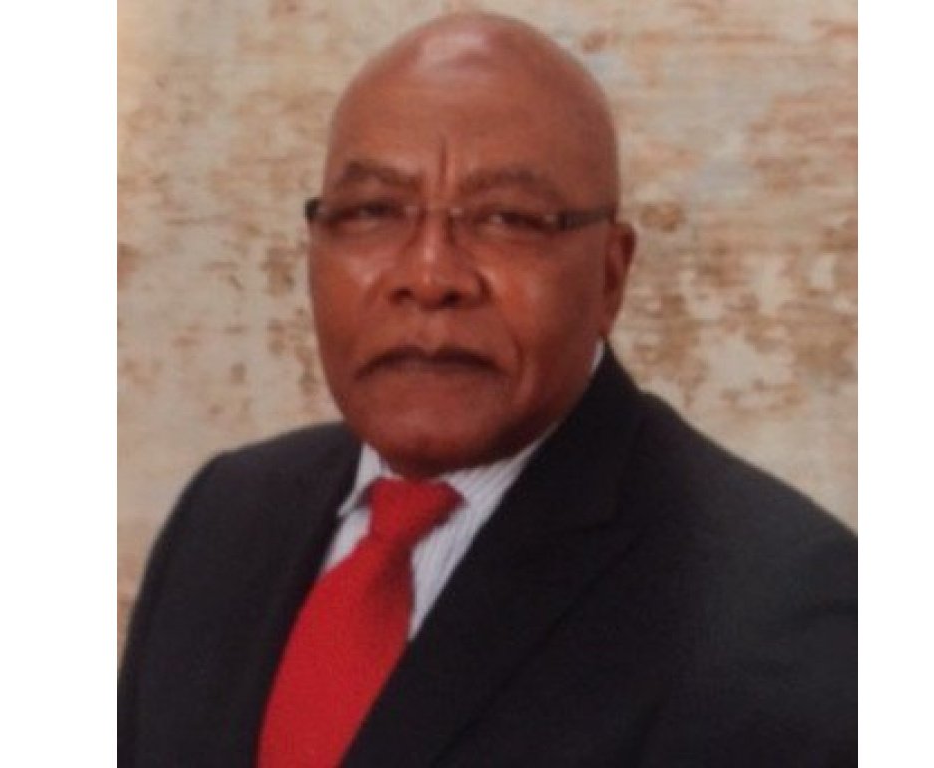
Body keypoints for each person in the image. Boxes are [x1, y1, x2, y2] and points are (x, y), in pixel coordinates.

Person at [118, 11, 856, 768]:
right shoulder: (223, 518)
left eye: (508, 219)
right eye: (373, 212)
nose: (429, 276)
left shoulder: (785, 618)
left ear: (610, 275)